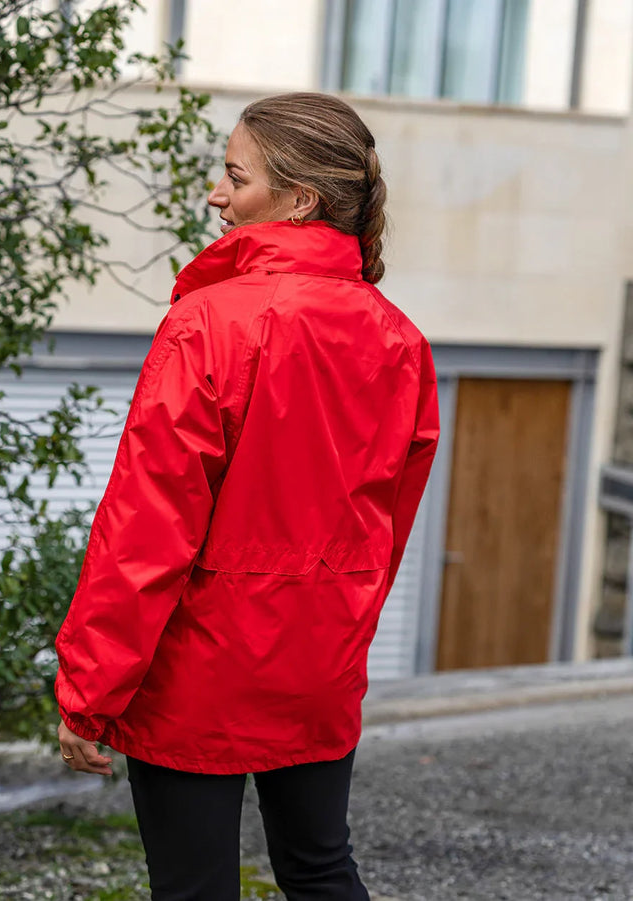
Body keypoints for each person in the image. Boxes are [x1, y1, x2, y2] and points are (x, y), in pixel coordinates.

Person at [55, 92, 439, 900]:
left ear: (299, 200)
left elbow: (146, 527)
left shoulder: (209, 324)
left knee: (194, 888)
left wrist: (89, 691)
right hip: (318, 662)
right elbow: (387, 530)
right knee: (320, 868)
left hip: (198, 672)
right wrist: (340, 632)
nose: (216, 194)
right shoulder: (399, 339)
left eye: (236, 177)